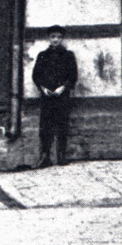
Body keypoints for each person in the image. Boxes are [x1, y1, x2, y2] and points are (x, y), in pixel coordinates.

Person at [31, 25, 78, 167]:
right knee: (45, 126)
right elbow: (36, 75)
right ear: (49, 38)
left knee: (62, 124)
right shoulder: (42, 55)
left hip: (62, 96)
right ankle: (45, 156)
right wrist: (43, 88)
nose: (55, 40)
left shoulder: (68, 55)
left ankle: (61, 156)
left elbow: (73, 75)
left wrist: (63, 88)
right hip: (47, 96)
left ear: (62, 39)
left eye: (58, 37)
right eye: (53, 37)